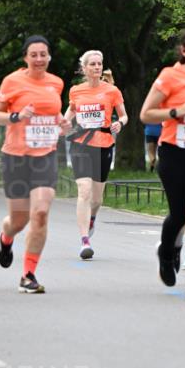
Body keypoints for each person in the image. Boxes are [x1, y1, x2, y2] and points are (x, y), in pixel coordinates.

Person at [0, 36, 71, 293]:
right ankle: (6, 237)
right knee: (18, 220)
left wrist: (62, 123)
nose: (39, 59)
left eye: (43, 54)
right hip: (15, 157)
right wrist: (17, 116)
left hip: (45, 156)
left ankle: (28, 274)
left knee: (40, 212)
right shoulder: (12, 81)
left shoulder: (56, 83)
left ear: (49, 57)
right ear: (25, 57)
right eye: (34, 55)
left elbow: (53, 112)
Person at [140, 24, 185, 297]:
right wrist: (176, 111)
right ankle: (166, 250)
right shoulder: (169, 76)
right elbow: (146, 114)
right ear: (184, 49)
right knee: (179, 214)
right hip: (173, 152)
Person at [64, 51, 127, 259]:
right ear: (85, 68)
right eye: (93, 64)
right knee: (84, 191)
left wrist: (120, 123)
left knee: (97, 199)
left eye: (99, 64)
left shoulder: (112, 91)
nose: (97, 67)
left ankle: (91, 219)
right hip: (81, 144)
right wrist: (64, 124)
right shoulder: (76, 91)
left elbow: (124, 115)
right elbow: (71, 111)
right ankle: (84, 240)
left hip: (103, 144)